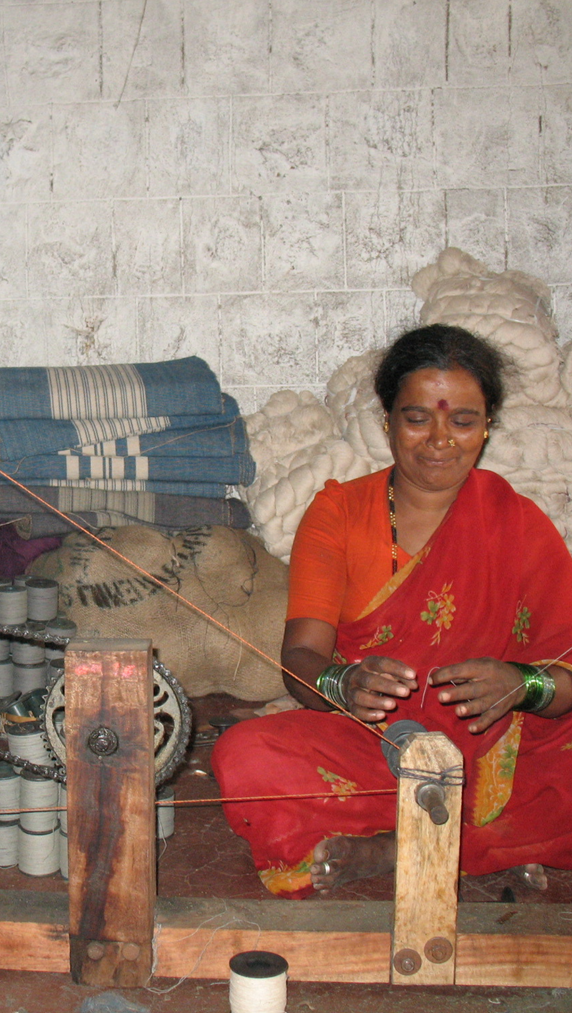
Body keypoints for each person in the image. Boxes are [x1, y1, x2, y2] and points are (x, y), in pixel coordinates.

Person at [211, 324, 572, 898]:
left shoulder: (518, 522)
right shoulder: (338, 514)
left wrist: (521, 684)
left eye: (462, 421)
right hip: (381, 744)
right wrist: (345, 680)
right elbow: (300, 659)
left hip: (503, 747)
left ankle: (397, 847)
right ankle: (480, 847)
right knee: (246, 756)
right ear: (387, 420)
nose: (439, 440)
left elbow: (567, 673)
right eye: (417, 418)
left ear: (486, 428)